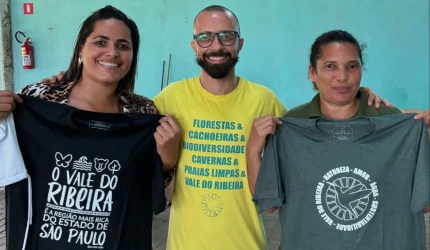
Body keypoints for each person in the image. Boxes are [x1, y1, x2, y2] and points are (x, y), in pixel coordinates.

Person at [10, 6, 391, 250]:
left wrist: (355, 98)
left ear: (239, 43)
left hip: (250, 243)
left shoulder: (266, 101)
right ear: (194, 46)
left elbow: (318, 128)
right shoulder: (162, 102)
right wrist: (58, 87)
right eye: (206, 37)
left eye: (226, 36)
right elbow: (127, 151)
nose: (217, 45)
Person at [246, 29, 430, 248]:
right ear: (312, 72)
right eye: (330, 66)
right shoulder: (291, 124)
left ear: (361, 71)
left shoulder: (390, 121)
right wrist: (253, 150)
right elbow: (268, 205)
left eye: (352, 66)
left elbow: (425, 204)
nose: (342, 76)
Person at [0, 5, 180, 183]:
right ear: (81, 49)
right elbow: (8, 164)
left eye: (123, 46)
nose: (112, 53)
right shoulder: (38, 99)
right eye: (100, 42)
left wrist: (167, 161)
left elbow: (149, 188)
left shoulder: (143, 111)